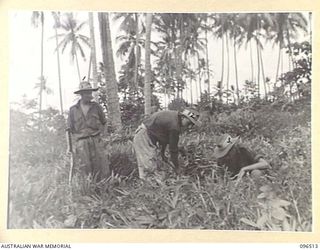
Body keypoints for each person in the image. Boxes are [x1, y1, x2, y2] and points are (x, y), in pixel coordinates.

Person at [133, 108, 201, 180]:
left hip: (148, 135)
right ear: (183, 117)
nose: (189, 126)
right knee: (149, 165)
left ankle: (147, 182)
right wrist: (177, 167)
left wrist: (163, 154)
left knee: (151, 162)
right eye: (189, 123)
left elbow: (164, 138)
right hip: (144, 136)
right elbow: (173, 149)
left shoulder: (174, 118)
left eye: (192, 125)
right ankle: (149, 186)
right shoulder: (174, 126)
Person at [67, 81, 110, 181]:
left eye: (90, 92)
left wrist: (104, 137)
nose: (90, 95)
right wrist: (69, 147)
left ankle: (104, 190)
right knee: (85, 168)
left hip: (96, 139)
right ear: (81, 95)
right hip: (81, 142)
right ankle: (89, 191)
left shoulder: (96, 107)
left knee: (102, 166)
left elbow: (104, 123)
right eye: (87, 93)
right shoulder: (73, 110)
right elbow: (69, 129)